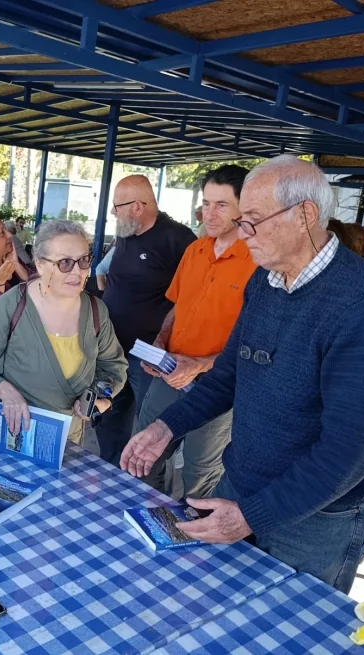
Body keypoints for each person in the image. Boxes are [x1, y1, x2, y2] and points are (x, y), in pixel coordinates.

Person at [121, 155, 364, 594]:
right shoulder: (265, 281)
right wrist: (166, 426)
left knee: (292, 634)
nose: (241, 232)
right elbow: (227, 376)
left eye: (251, 220)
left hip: (321, 516)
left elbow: (351, 450)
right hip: (244, 485)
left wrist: (252, 516)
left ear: (305, 216)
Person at [136, 164, 255, 498]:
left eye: (221, 205)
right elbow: (178, 306)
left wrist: (200, 365)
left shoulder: (257, 260)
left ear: (243, 209)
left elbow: (255, 336)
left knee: (200, 471)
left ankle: (197, 542)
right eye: (206, 203)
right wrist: (161, 342)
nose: (209, 213)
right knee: (145, 450)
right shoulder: (195, 250)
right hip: (170, 372)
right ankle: (149, 521)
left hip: (217, 383)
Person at [0, 220, 127, 448]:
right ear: (40, 265)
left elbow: (113, 367)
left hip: (62, 443)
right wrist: (5, 391)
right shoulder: (11, 306)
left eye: (84, 260)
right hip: (3, 440)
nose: (77, 271)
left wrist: (100, 398)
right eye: (65, 263)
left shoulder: (96, 311)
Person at [95, 175, 196, 466]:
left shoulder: (178, 239)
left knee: (149, 431)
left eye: (117, 206)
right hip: (112, 349)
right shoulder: (127, 233)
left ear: (138, 206)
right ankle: (110, 477)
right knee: (109, 417)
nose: (113, 212)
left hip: (149, 356)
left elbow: (191, 298)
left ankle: (148, 497)